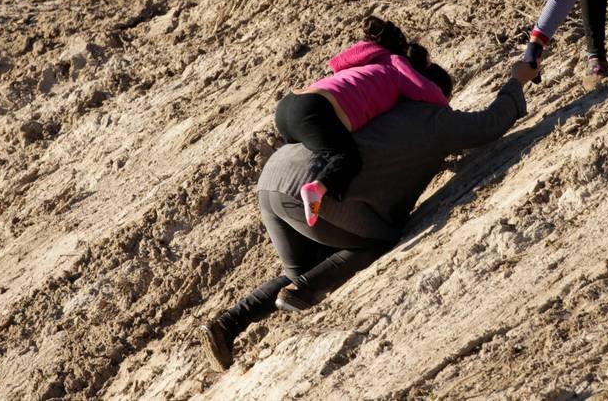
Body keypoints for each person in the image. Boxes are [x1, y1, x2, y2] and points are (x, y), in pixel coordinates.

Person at [197, 60, 539, 371]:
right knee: (379, 240)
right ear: (436, 94)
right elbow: (488, 125)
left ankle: (226, 325)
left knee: (301, 268)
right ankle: (301, 290)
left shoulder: (375, 106)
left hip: (273, 178)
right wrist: (516, 81)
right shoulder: (433, 117)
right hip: (312, 187)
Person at [276, 16, 449, 226]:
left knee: (306, 159)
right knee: (347, 158)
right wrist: (447, 112)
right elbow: (427, 91)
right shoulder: (395, 63)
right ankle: (316, 189)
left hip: (287, 106)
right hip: (314, 110)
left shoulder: (365, 63)